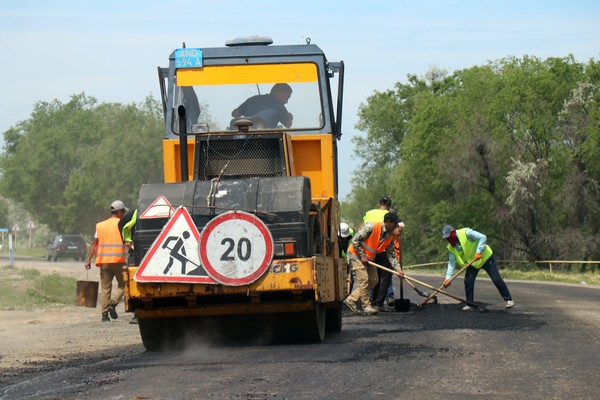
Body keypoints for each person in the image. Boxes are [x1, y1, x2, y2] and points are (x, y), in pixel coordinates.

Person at [441, 225, 515, 310]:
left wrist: (479, 251)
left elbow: (482, 237)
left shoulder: (466, 233)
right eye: (447, 239)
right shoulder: (451, 247)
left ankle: (509, 300)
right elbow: (451, 263)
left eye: (449, 237)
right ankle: (470, 304)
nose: (449, 240)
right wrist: (448, 278)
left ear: (453, 232)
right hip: (473, 263)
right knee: (468, 281)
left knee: (496, 279)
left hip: (485, 257)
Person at [343, 212, 403, 315]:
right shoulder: (371, 227)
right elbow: (355, 241)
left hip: (369, 258)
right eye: (395, 224)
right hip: (356, 254)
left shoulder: (389, 237)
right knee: (364, 279)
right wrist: (362, 255)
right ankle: (366, 306)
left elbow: (391, 255)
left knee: (374, 279)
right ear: (388, 222)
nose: (397, 226)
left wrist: (398, 270)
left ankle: (351, 299)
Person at [84, 200, 128, 322]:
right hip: (118, 260)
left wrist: (88, 260)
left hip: (104, 262)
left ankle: (104, 316)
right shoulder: (123, 223)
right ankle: (112, 304)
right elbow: (127, 241)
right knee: (124, 284)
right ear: (119, 211)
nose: (124, 214)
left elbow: (94, 244)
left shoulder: (100, 225)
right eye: (123, 211)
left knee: (105, 289)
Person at [363, 196, 397, 310]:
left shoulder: (369, 213)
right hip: (382, 249)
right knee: (386, 275)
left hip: (370, 251)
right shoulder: (390, 215)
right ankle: (379, 303)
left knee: (374, 276)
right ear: (389, 205)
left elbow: (362, 228)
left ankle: (373, 301)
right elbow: (397, 231)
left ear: (379, 204)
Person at [339, 222, 355, 296]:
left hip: (348, 257)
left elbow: (350, 249)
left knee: (350, 278)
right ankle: (341, 294)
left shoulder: (351, 235)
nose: (344, 237)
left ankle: (348, 296)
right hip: (340, 258)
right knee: (341, 277)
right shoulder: (336, 236)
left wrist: (348, 262)